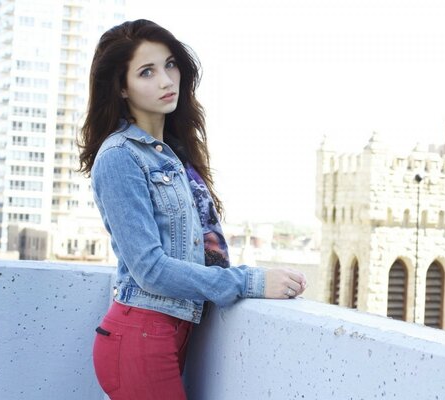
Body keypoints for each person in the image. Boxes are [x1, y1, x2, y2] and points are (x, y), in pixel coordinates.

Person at [79, 19, 307, 400]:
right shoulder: (119, 157)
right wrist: (250, 282)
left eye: (170, 64)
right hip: (140, 336)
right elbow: (149, 268)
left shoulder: (173, 154)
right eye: (147, 72)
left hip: (169, 332)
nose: (167, 80)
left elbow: (200, 249)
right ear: (121, 87)